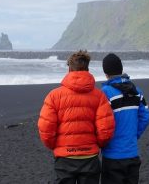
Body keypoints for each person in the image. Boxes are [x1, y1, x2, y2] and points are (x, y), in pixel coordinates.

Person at [38, 50, 115, 184]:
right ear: (87, 69)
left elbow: (46, 128)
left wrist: (55, 146)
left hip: (64, 157)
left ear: (69, 68)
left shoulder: (54, 96)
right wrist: (97, 144)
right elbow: (106, 128)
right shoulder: (99, 96)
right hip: (89, 157)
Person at [101, 53, 149, 184]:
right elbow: (145, 116)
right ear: (121, 69)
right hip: (132, 153)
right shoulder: (137, 91)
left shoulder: (105, 93)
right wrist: (134, 135)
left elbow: (103, 124)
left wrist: (103, 142)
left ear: (105, 73)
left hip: (112, 155)